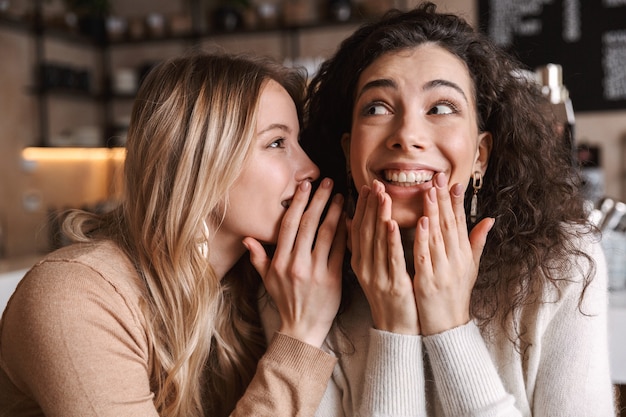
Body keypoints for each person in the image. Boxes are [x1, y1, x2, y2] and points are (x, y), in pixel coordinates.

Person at [264, 2, 616, 415]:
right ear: (348, 151)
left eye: (441, 108)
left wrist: (449, 326)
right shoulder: (302, 281)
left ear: (480, 155)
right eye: (378, 107)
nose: (408, 135)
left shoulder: (559, 267)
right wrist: (394, 325)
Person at [0, 52, 347, 417]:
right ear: (200, 161)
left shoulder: (256, 290)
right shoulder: (75, 296)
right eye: (277, 143)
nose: (309, 168)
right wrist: (300, 338)